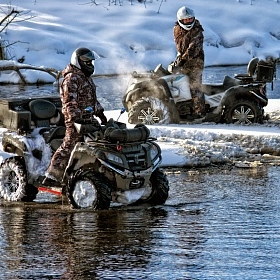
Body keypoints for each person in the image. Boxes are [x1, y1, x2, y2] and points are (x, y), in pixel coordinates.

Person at [42, 47, 107, 186]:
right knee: (70, 144)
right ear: (77, 61)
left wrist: (100, 113)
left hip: (88, 118)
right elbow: (69, 103)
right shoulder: (71, 78)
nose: (89, 63)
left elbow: (91, 100)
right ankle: (52, 175)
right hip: (75, 121)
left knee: (103, 141)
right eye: (85, 60)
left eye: (90, 61)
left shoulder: (86, 77)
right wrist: (76, 118)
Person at [173, 6, 205, 118]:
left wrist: (181, 61)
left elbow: (192, 49)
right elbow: (180, 47)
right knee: (179, 84)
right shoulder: (177, 29)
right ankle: (183, 109)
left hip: (196, 61)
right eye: (186, 20)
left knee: (195, 87)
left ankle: (199, 112)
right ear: (180, 20)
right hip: (183, 60)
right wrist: (178, 59)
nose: (188, 21)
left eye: (190, 19)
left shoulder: (197, 31)